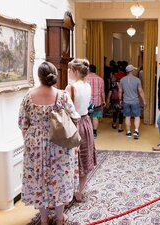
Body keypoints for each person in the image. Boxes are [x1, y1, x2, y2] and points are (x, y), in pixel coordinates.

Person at [18, 61, 80, 225]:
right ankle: (60, 219)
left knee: (39, 180)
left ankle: (44, 220)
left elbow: (23, 123)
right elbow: (75, 117)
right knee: (59, 179)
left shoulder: (28, 97)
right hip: (59, 142)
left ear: (39, 77)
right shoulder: (62, 96)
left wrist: (32, 139)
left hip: (35, 143)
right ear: (55, 76)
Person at [65, 58, 96, 202]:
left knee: (71, 159)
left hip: (74, 124)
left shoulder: (71, 87)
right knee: (84, 157)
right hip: (86, 123)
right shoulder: (87, 86)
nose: (69, 72)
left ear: (76, 71)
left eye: (70, 70)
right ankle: (79, 192)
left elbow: (67, 110)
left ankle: (69, 192)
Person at [118, 64, 146, 139]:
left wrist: (120, 100)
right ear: (132, 71)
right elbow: (140, 91)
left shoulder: (122, 80)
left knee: (127, 116)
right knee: (137, 116)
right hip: (135, 101)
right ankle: (136, 131)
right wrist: (144, 101)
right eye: (134, 70)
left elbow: (120, 91)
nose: (134, 71)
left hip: (126, 101)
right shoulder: (137, 80)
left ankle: (128, 132)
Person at [86, 64, 105, 138]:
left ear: (89, 70)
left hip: (87, 101)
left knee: (87, 117)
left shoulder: (85, 79)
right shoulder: (100, 79)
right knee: (95, 117)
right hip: (97, 101)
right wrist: (104, 101)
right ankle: (94, 133)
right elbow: (102, 92)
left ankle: (88, 132)